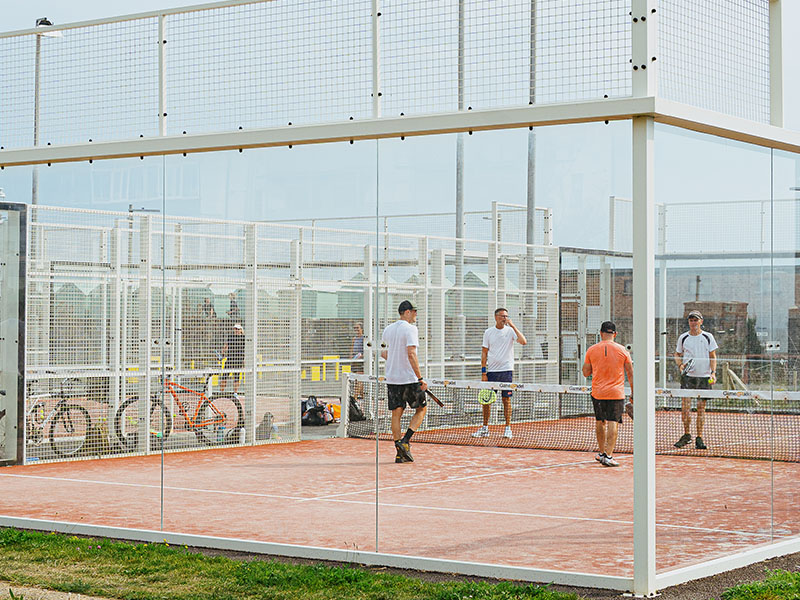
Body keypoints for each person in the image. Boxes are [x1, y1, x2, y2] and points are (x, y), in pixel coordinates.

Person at [380, 300, 427, 463]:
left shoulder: (388, 330)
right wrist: (420, 379)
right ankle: (405, 441)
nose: (416, 315)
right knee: (421, 409)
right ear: (406, 312)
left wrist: (394, 358)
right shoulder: (411, 329)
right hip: (409, 379)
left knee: (396, 414)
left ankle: (399, 452)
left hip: (392, 379)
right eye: (414, 311)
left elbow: (383, 353)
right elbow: (411, 354)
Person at [582, 321, 634, 467]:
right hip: (616, 393)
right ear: (615, 334)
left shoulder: (591, 350)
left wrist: (597, 366)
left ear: (601, 333)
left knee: (600, 422)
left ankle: (602, 453)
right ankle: (609, 455)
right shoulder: (623, 350)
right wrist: (634, 392)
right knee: (613, 422)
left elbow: (586, 372)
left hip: (598, 393)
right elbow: (630, 373)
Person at [472, 308, 527, 439]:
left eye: (506, 316)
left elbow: (523, 341)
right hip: (492, 372)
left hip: (506, 371)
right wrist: (484, 372)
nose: (505, 318)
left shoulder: (510, 331)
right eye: (502, 316)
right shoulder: (488, 332)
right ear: (496, 317)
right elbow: (484, 352)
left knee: (506, 399)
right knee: (486, 400)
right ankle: (485, 428)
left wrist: (512, 325)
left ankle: (508, 428)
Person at [673, 310, 717, 450]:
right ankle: (687, 435)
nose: (693, 322)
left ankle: (699, 437)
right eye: (691, 320)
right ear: (689, 322)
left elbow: (713, 356)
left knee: (701, 408)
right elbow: (677, 354)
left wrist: (713, 373)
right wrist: (680, 365)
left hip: (704, 378)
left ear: (701, 321)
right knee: (685, 408)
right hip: (688, 377)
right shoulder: (683, 337)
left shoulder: (708, 337)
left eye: (696, 320)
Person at [219, 323, 245, 395]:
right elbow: (226, 346)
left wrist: (244, 360)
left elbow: (246, 349)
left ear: (241, 330)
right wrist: (223, 352)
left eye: (238, 329)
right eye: (235, 329)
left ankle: (235, 393)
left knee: (236, 377)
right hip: (230, 359)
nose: (236, 330)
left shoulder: (243, 338)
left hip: (239, 360)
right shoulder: (231, 337)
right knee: (224, 376)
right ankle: (221, 392)